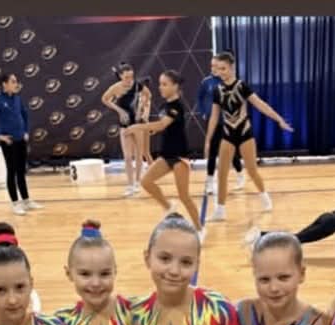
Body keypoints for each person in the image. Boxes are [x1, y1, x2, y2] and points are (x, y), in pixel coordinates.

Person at [202, 51, 293, 222]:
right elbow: (214, 117)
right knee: (221, 173)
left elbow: (260, 105)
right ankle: (220, 210)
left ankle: (264, 196)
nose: (221, 72)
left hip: (244, 133)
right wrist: (208, 139)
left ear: (232, 68)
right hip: (228, 134)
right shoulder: (217, 91)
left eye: (223, 68)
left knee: (252, 171)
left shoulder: (242, 86)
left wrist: (279, 119)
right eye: (218, 69)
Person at [130, 70, 204, 233]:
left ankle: (199, 229)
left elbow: (162, 124)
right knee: (146, 182)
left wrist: (139, 127)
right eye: (160, 84)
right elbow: (164, 127)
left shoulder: (177, 106)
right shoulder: (165, 106)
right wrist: (151, 130)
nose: (160, 87)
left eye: (164, 84)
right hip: (166, 155)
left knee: (184, 196)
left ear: (175, 86)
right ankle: (169, 207)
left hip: (179, 156)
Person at [0, 72, 43, 216]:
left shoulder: (17, 98)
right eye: (13, 81)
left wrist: (26, 131)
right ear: (5, 84)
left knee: (21, 171)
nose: (16, 84)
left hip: (21, 139)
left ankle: (26, 200)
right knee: (12, 171)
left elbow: (25, 114)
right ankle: (15, 203)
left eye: (16, 81)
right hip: (9, 142)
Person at [101, 63, 152, 197]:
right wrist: (119, 110)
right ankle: (130, 184)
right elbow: (104, 99)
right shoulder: (116, 88)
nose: (130, 80)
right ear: (120, 76)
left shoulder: (137, 85)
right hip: (124, 123)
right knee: (128, 157)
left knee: (139, 154)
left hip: (137, 123)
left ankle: (137, 182)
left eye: (131, 76)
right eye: (126, 77)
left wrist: (142, 110)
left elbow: (148, 95)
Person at [196, 58, 244, 194]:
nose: (214, 68)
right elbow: (200, 98)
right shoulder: (206, 82)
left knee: (230, 151)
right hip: (212, 122)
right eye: (212, 66)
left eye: (217, 66)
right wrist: (203, 112)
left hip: (226, 122)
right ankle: (210, 182)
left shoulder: (226, 82)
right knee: (212, 151)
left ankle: (240, 175)